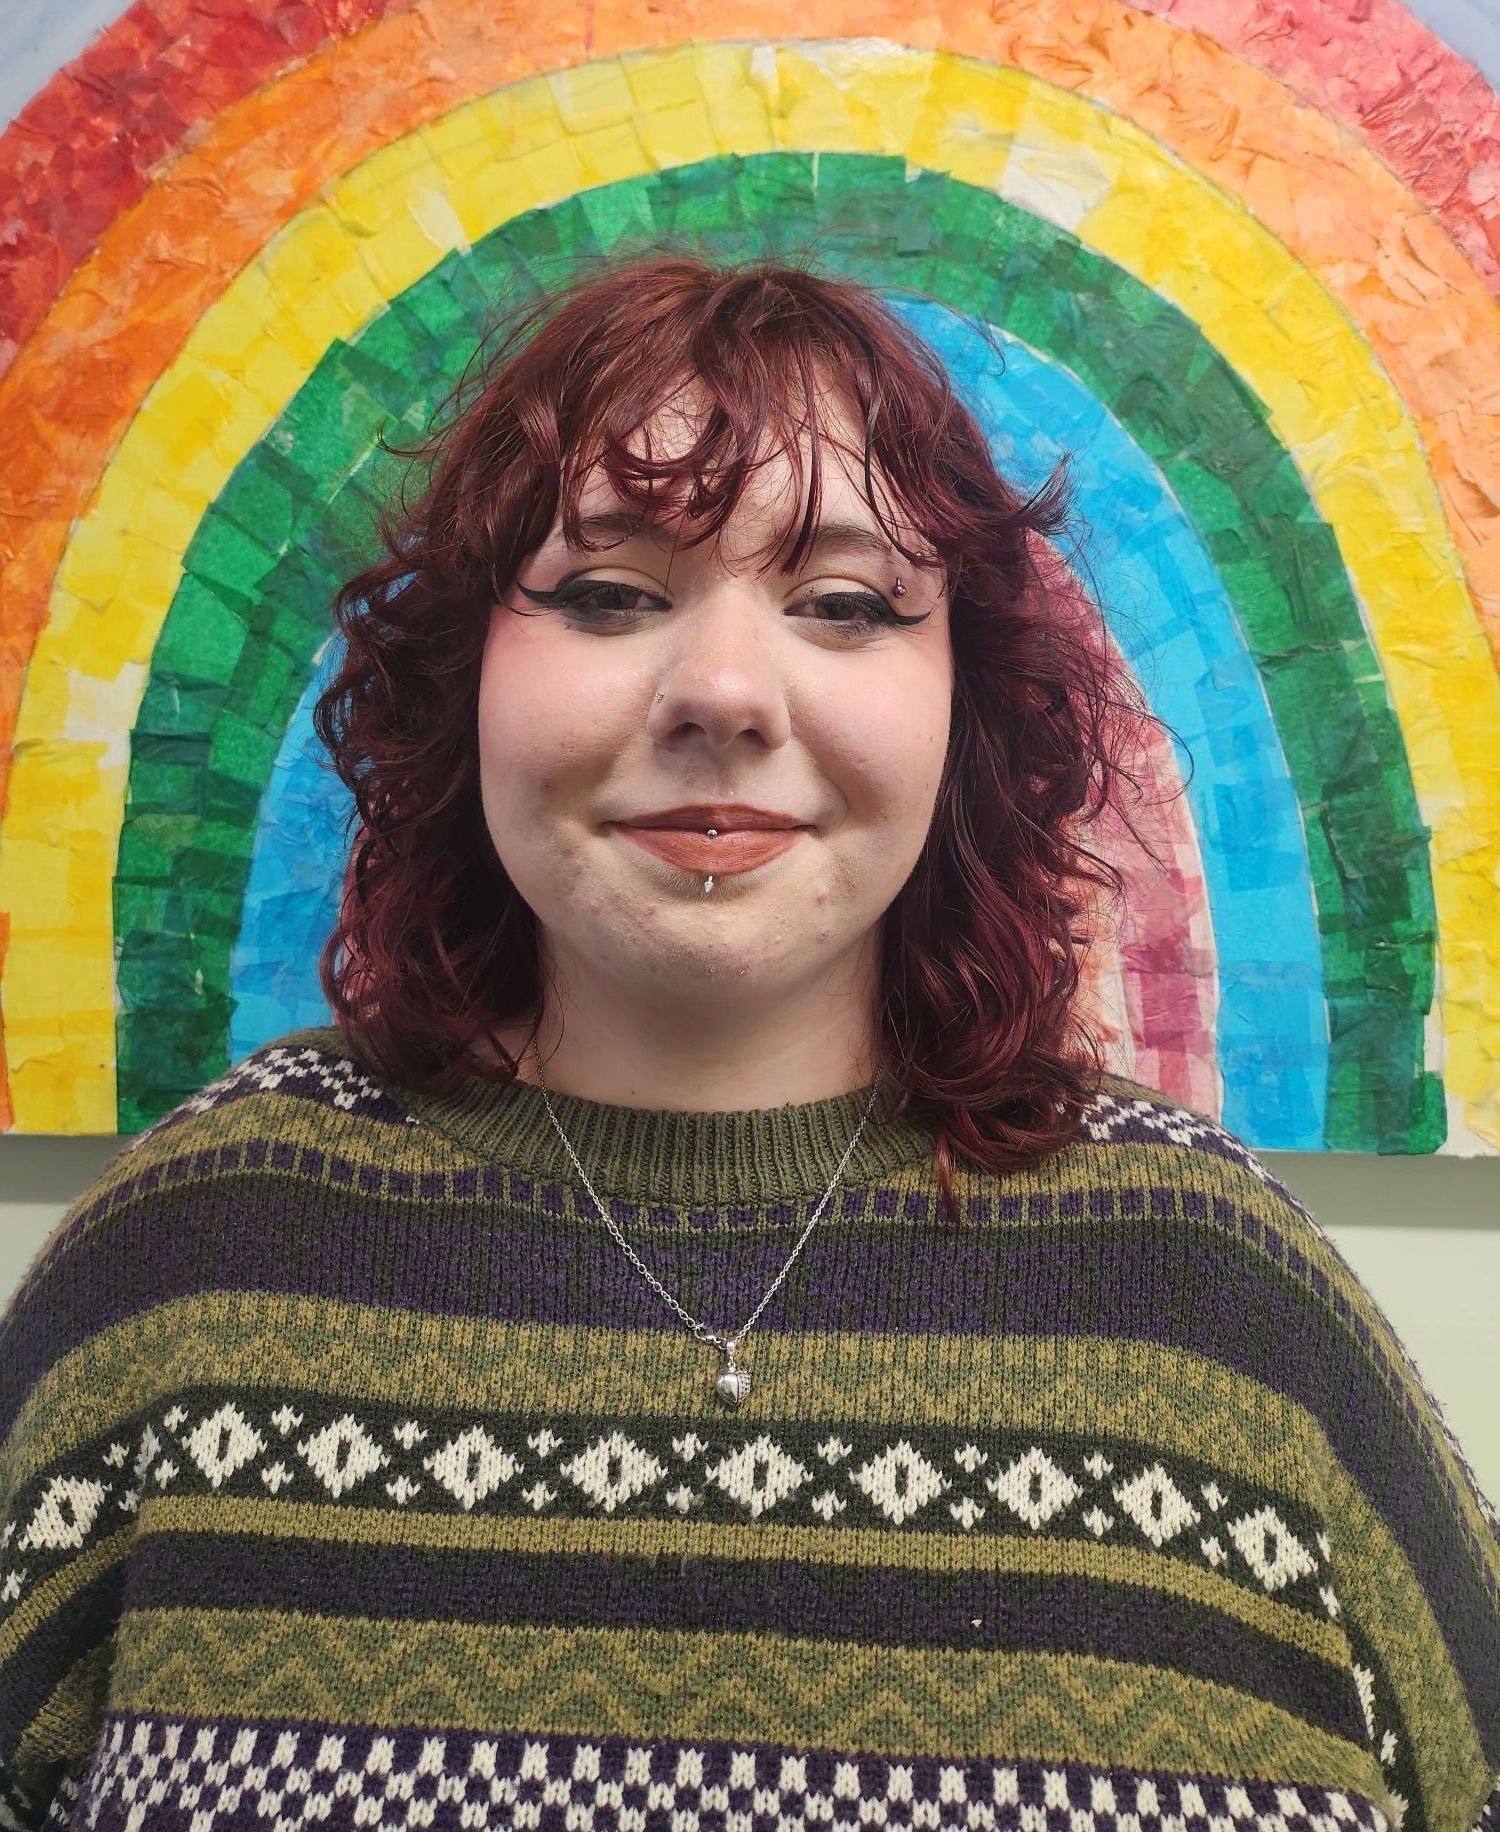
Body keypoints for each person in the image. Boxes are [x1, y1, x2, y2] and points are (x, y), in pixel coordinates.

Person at [1, 253, 1496, 1832]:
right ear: (465, 683)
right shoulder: (188, 1257)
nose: (721, 693)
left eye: (844, 606)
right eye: (607, 594)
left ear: (967, 713)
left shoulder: (1227, 1296)